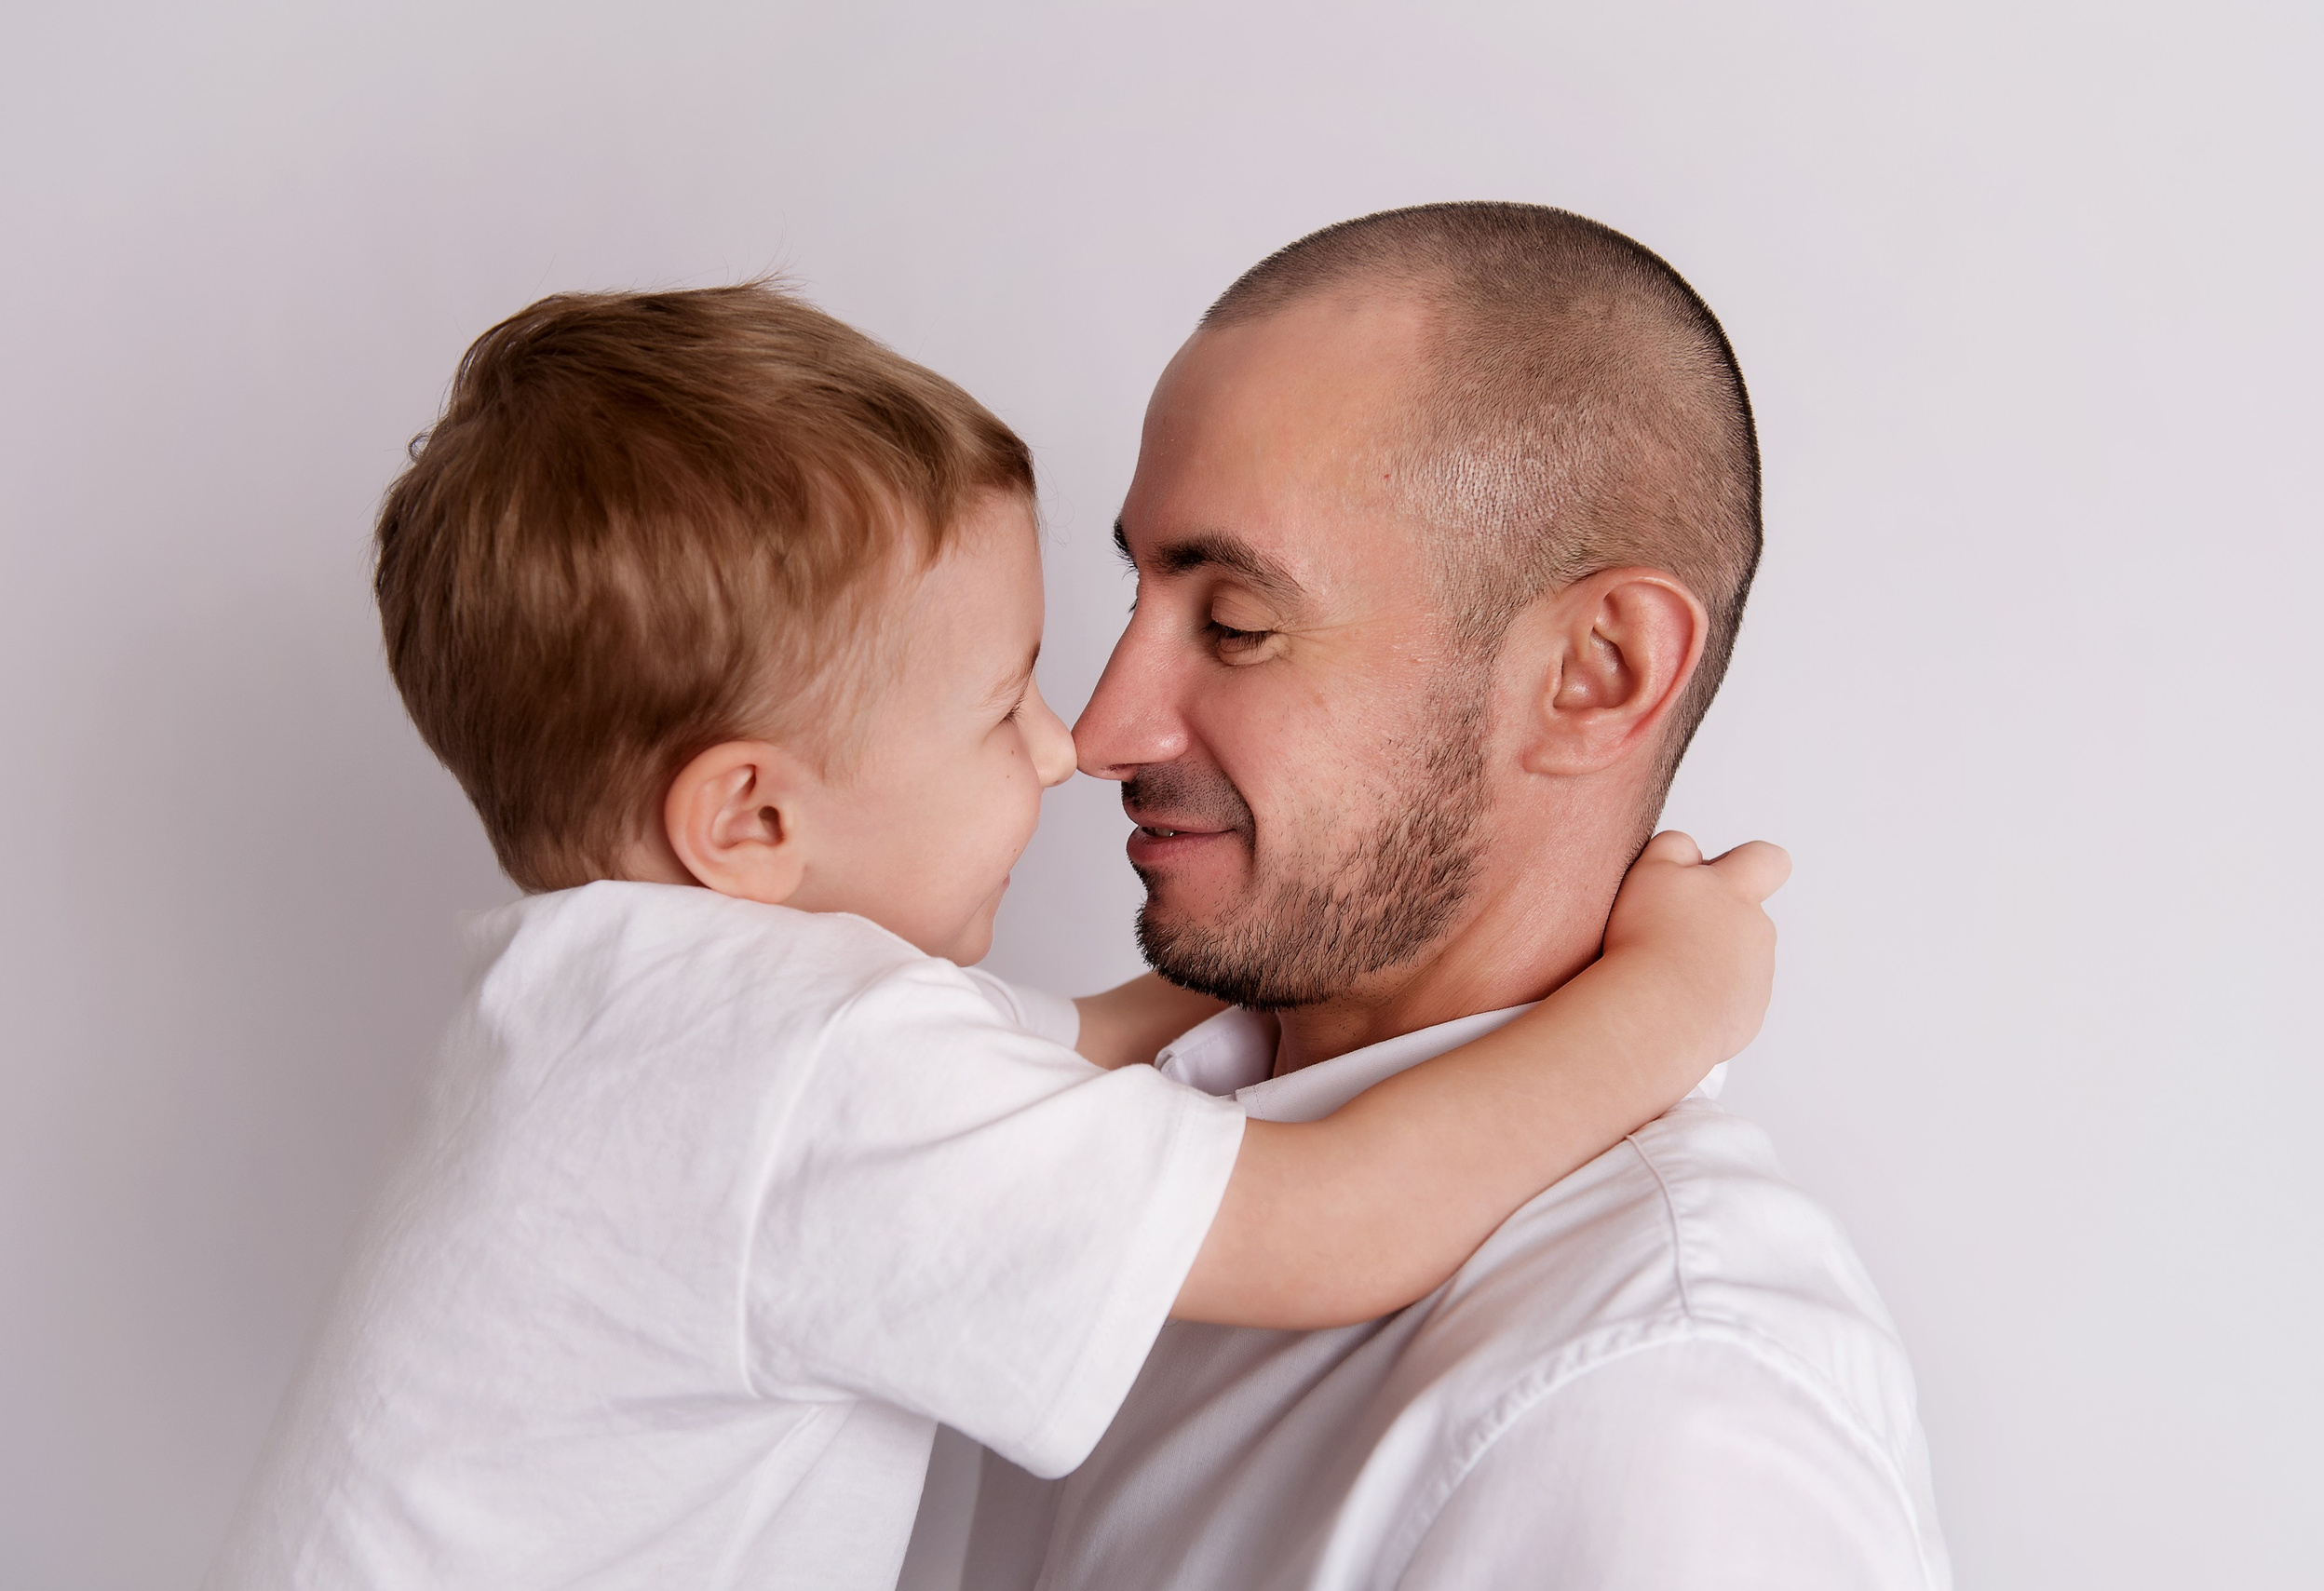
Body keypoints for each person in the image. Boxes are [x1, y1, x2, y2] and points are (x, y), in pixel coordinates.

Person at [206, 281, 1786, 1590]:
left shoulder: (626, 1014)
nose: (1069, 739)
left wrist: (1220, 962)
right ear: (750, 821)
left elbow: (1054, 1048)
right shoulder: (813, 1070)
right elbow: (1332, 1227)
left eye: (1232, 625)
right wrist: (1676, 996)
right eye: (995, 707)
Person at [930, 204, 1952, 1590]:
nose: (1099, 729)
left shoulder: (1658, 1410)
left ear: (1595, 673)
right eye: (1139, 601)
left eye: (1237, 624)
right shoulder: (1084, 1122)